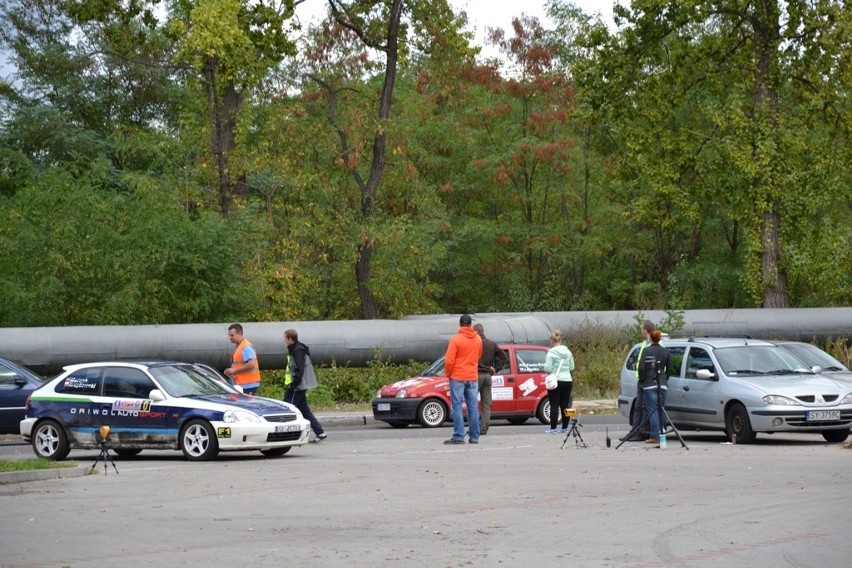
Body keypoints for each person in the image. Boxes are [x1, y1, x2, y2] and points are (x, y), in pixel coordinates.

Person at [443, 314, 483, 445]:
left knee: (457, 406)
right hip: (472, 376)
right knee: (473, 407)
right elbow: (479, 355)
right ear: (471, 325)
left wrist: (449, 374)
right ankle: (474, 436)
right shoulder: (477, 339)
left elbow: (449, 361)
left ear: (460, 324)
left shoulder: (455, 339)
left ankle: (459, 435)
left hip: (458, 376)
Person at [283, 329, 327, 442]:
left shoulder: (297, 351)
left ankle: (285, 435)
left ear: (290, 339)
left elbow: (299, 369)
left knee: (288, 410)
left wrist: (293, 384)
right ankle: (320, 432)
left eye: (285, 338)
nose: (284, 340)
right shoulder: (297, 348)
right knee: (305, 411)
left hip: (297, 386)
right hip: (300, 385)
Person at [621, 320, 654, 442]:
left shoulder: (657, 344)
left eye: (642, 329)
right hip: (641, 379)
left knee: (645, 407)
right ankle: (634, 431)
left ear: (645, 330)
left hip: (650, 381)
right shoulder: (644, 344)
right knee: (638, 406)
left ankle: (642, 432)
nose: (641, 332)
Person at [639, 329, 674, 445]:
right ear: (660, 339)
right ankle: (662, 433)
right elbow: (670, 368)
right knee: (661, 409)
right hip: (662, 383)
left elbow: (641, 367)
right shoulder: (665, 352)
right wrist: (665, 379)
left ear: (651, 338)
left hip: (649, 384)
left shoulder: (646, 350)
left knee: (652, 410)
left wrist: (642, 380)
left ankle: (655, 436)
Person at [473, 323, 509, 435]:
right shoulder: (492, 344)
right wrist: (496, 368)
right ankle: (484, 429)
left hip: (476, 375)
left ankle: (474, 428)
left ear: (476, 332)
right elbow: (504, 357)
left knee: (472, 402)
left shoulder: (474, 343)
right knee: (486, 404)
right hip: (488, 376)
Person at [543, 329, 575, 433]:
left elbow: (547, 368)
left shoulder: (551, 352)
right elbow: (572, 367)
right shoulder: (568, 352)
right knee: (566, 404)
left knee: (554, 405)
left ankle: (553, 428)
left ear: (552, 340)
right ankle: (565, 427)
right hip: (568, 380)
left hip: (555, 381)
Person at [224, 323, 261, 394]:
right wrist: (231, 372)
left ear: (239, 333)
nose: (230, 337)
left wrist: (234, 371)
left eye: (232, 335)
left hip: (248, 384)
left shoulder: (246, 347)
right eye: (229, 335)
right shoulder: (240, 346)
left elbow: (251, 364)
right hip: (243, 384)